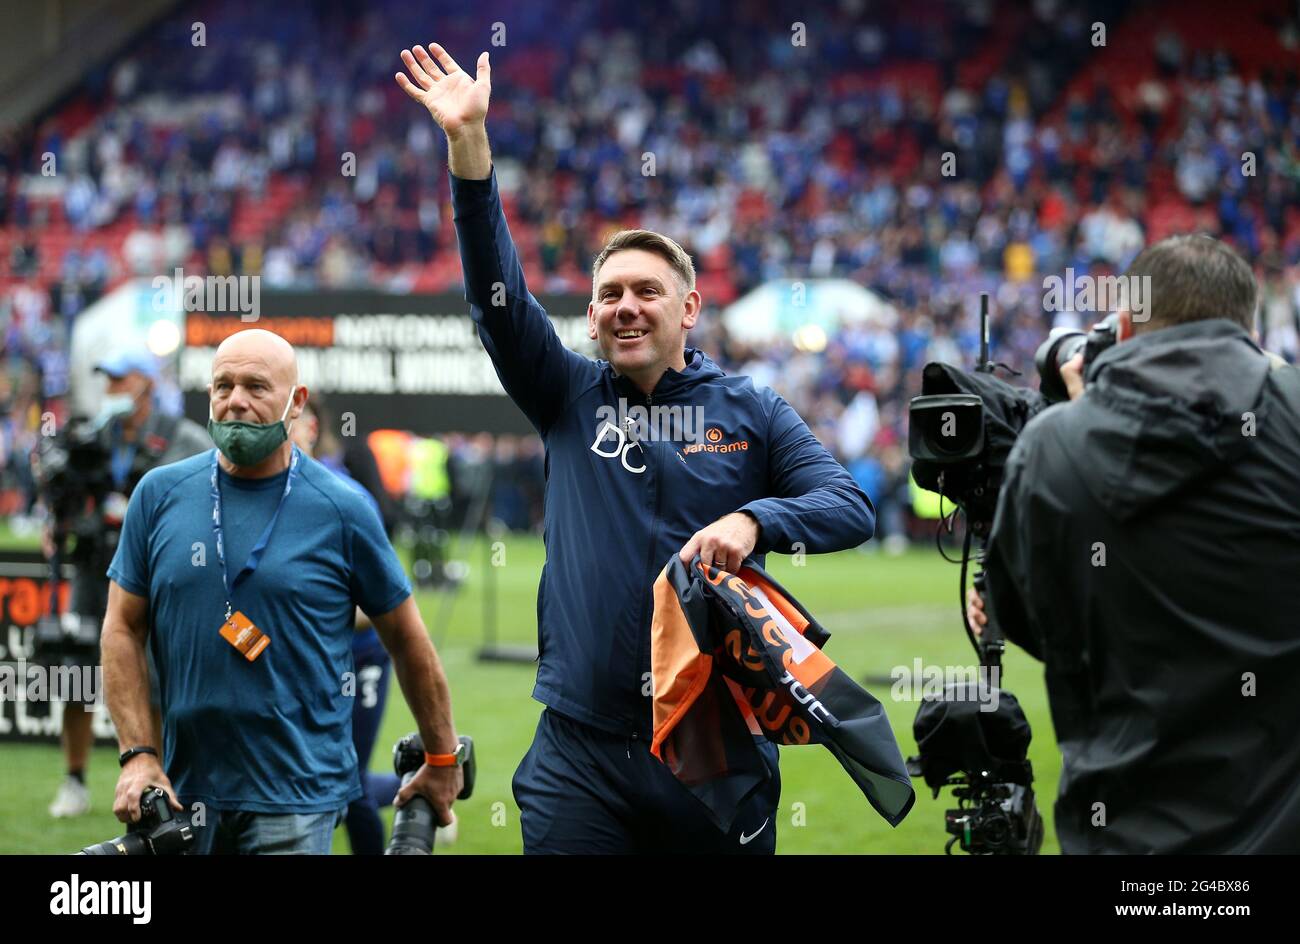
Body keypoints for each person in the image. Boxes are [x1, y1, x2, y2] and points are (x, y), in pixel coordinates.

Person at [397, 42, 875, 854]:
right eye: (608, 295)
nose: (625, 307)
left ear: (688, 310)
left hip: (712, 740)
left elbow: (850, 505)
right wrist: (468, 151)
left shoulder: (751, 408)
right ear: (589, 318)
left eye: (647, 292)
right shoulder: (566, 393)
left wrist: (755, 521)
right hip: (579, 749)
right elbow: (494, 296)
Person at [968, 234, 1300, 853]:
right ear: (1247, 325)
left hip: (1126, 834)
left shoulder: (1054, 446)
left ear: (1121, 325)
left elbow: (1032, 624)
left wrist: (1081, 422)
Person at [101, 329, 464, 854]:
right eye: (222, 386)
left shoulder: (342, 507)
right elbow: (121, 626)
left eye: (255, 386)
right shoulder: (158, 495)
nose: (236, 401)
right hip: (181, 792)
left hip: (298, 794)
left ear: (297, 402)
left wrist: (441, 758)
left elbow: (408, 640)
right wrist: (138, 754)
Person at [45, 349, 209, 818]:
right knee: (76, 673)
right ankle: (74, 780)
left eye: (120, 380)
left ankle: (155, 778)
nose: (112, 390)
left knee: (154, 679)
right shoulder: (91, 435)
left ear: (146, 384)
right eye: (108, 380)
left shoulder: (183, 437)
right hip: (93, 570)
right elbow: (65, 494)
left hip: (152, 578)